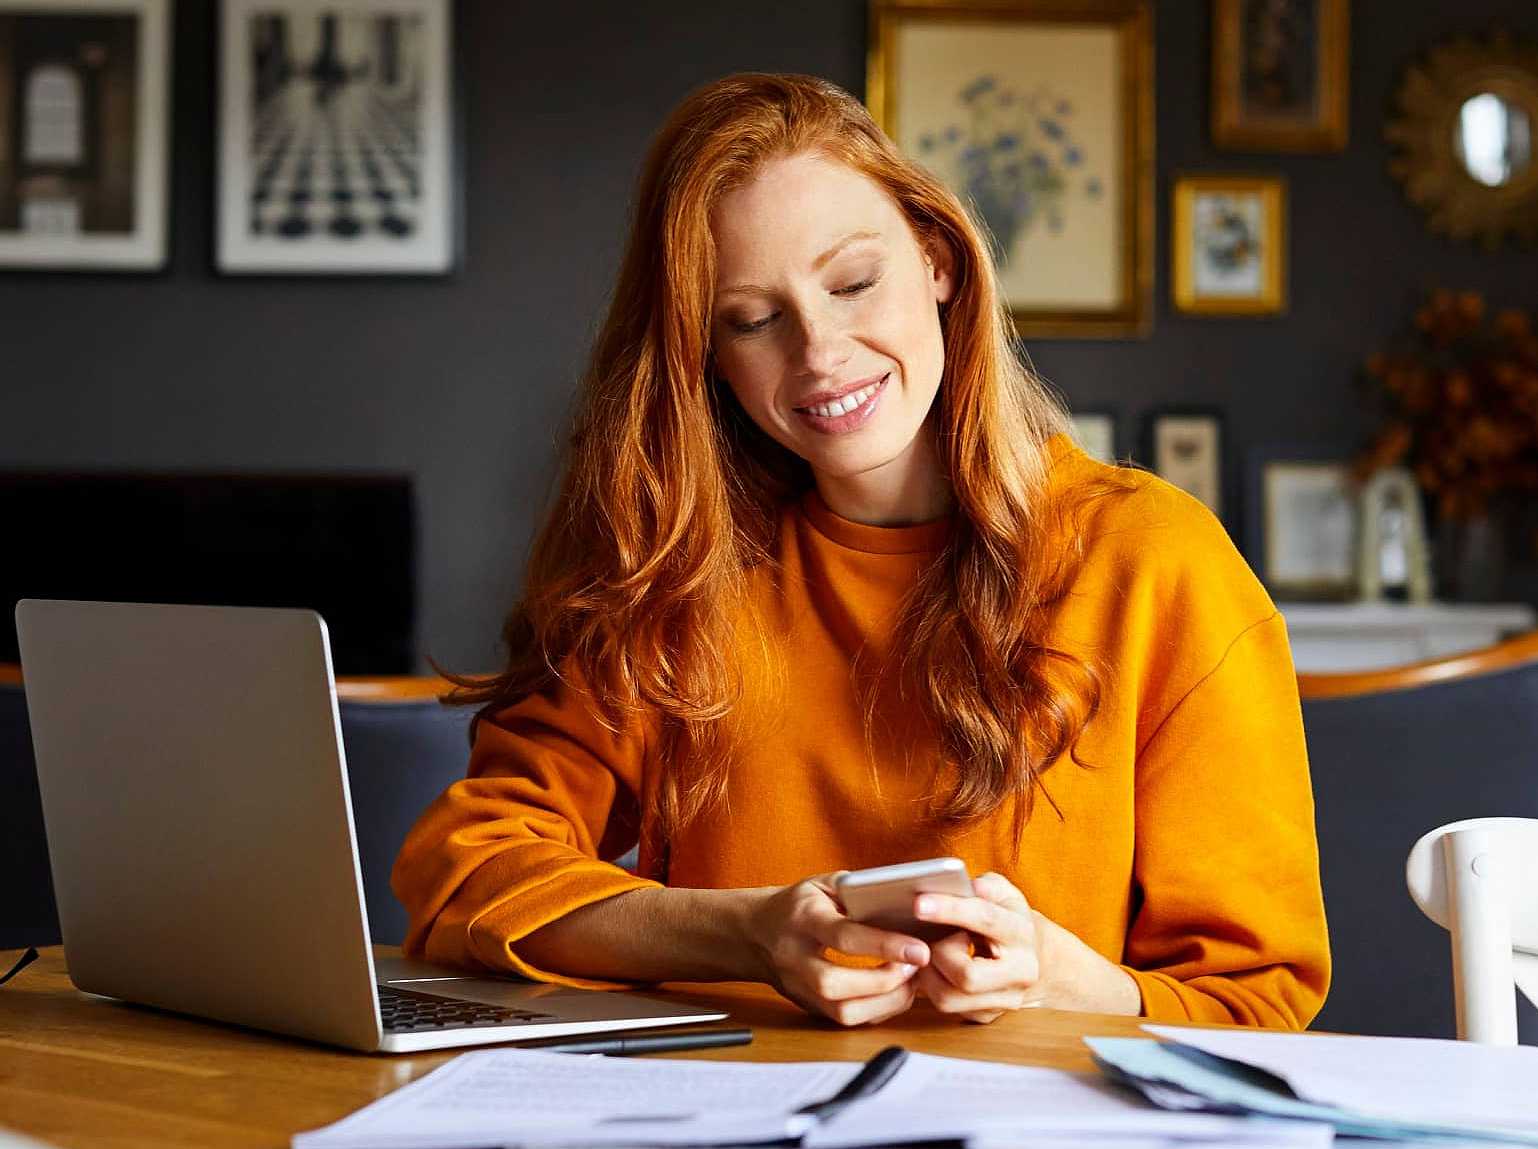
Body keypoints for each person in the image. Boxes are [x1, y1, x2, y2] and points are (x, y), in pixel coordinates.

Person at [392, 73, 1330, 1029]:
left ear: (937, 261)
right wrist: (749, 933)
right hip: (728, 1142)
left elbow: (1256, 999)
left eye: (851, 283)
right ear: (706, 355)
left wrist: (1055, 975)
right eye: (753, 320)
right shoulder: (682, 572)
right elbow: (468, 871)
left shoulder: (1152, 562)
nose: (820, 352)